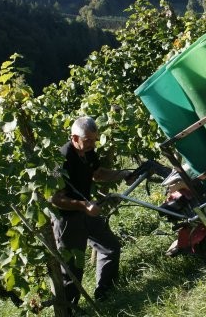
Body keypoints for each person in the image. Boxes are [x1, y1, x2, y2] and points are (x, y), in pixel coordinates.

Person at [50, 116, 133, 310]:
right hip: (67, 218)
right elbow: (54, 198)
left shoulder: (88, 152)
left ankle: (105, 293)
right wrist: (83, 206)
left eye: (94, 140)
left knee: (110, 247)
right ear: (74, 138)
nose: (92, 144)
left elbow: (98, 174)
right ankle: (70, 311)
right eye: (88, 140)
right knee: (72, 269)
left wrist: (122, 174)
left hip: (86, 211)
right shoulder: (60, 159)